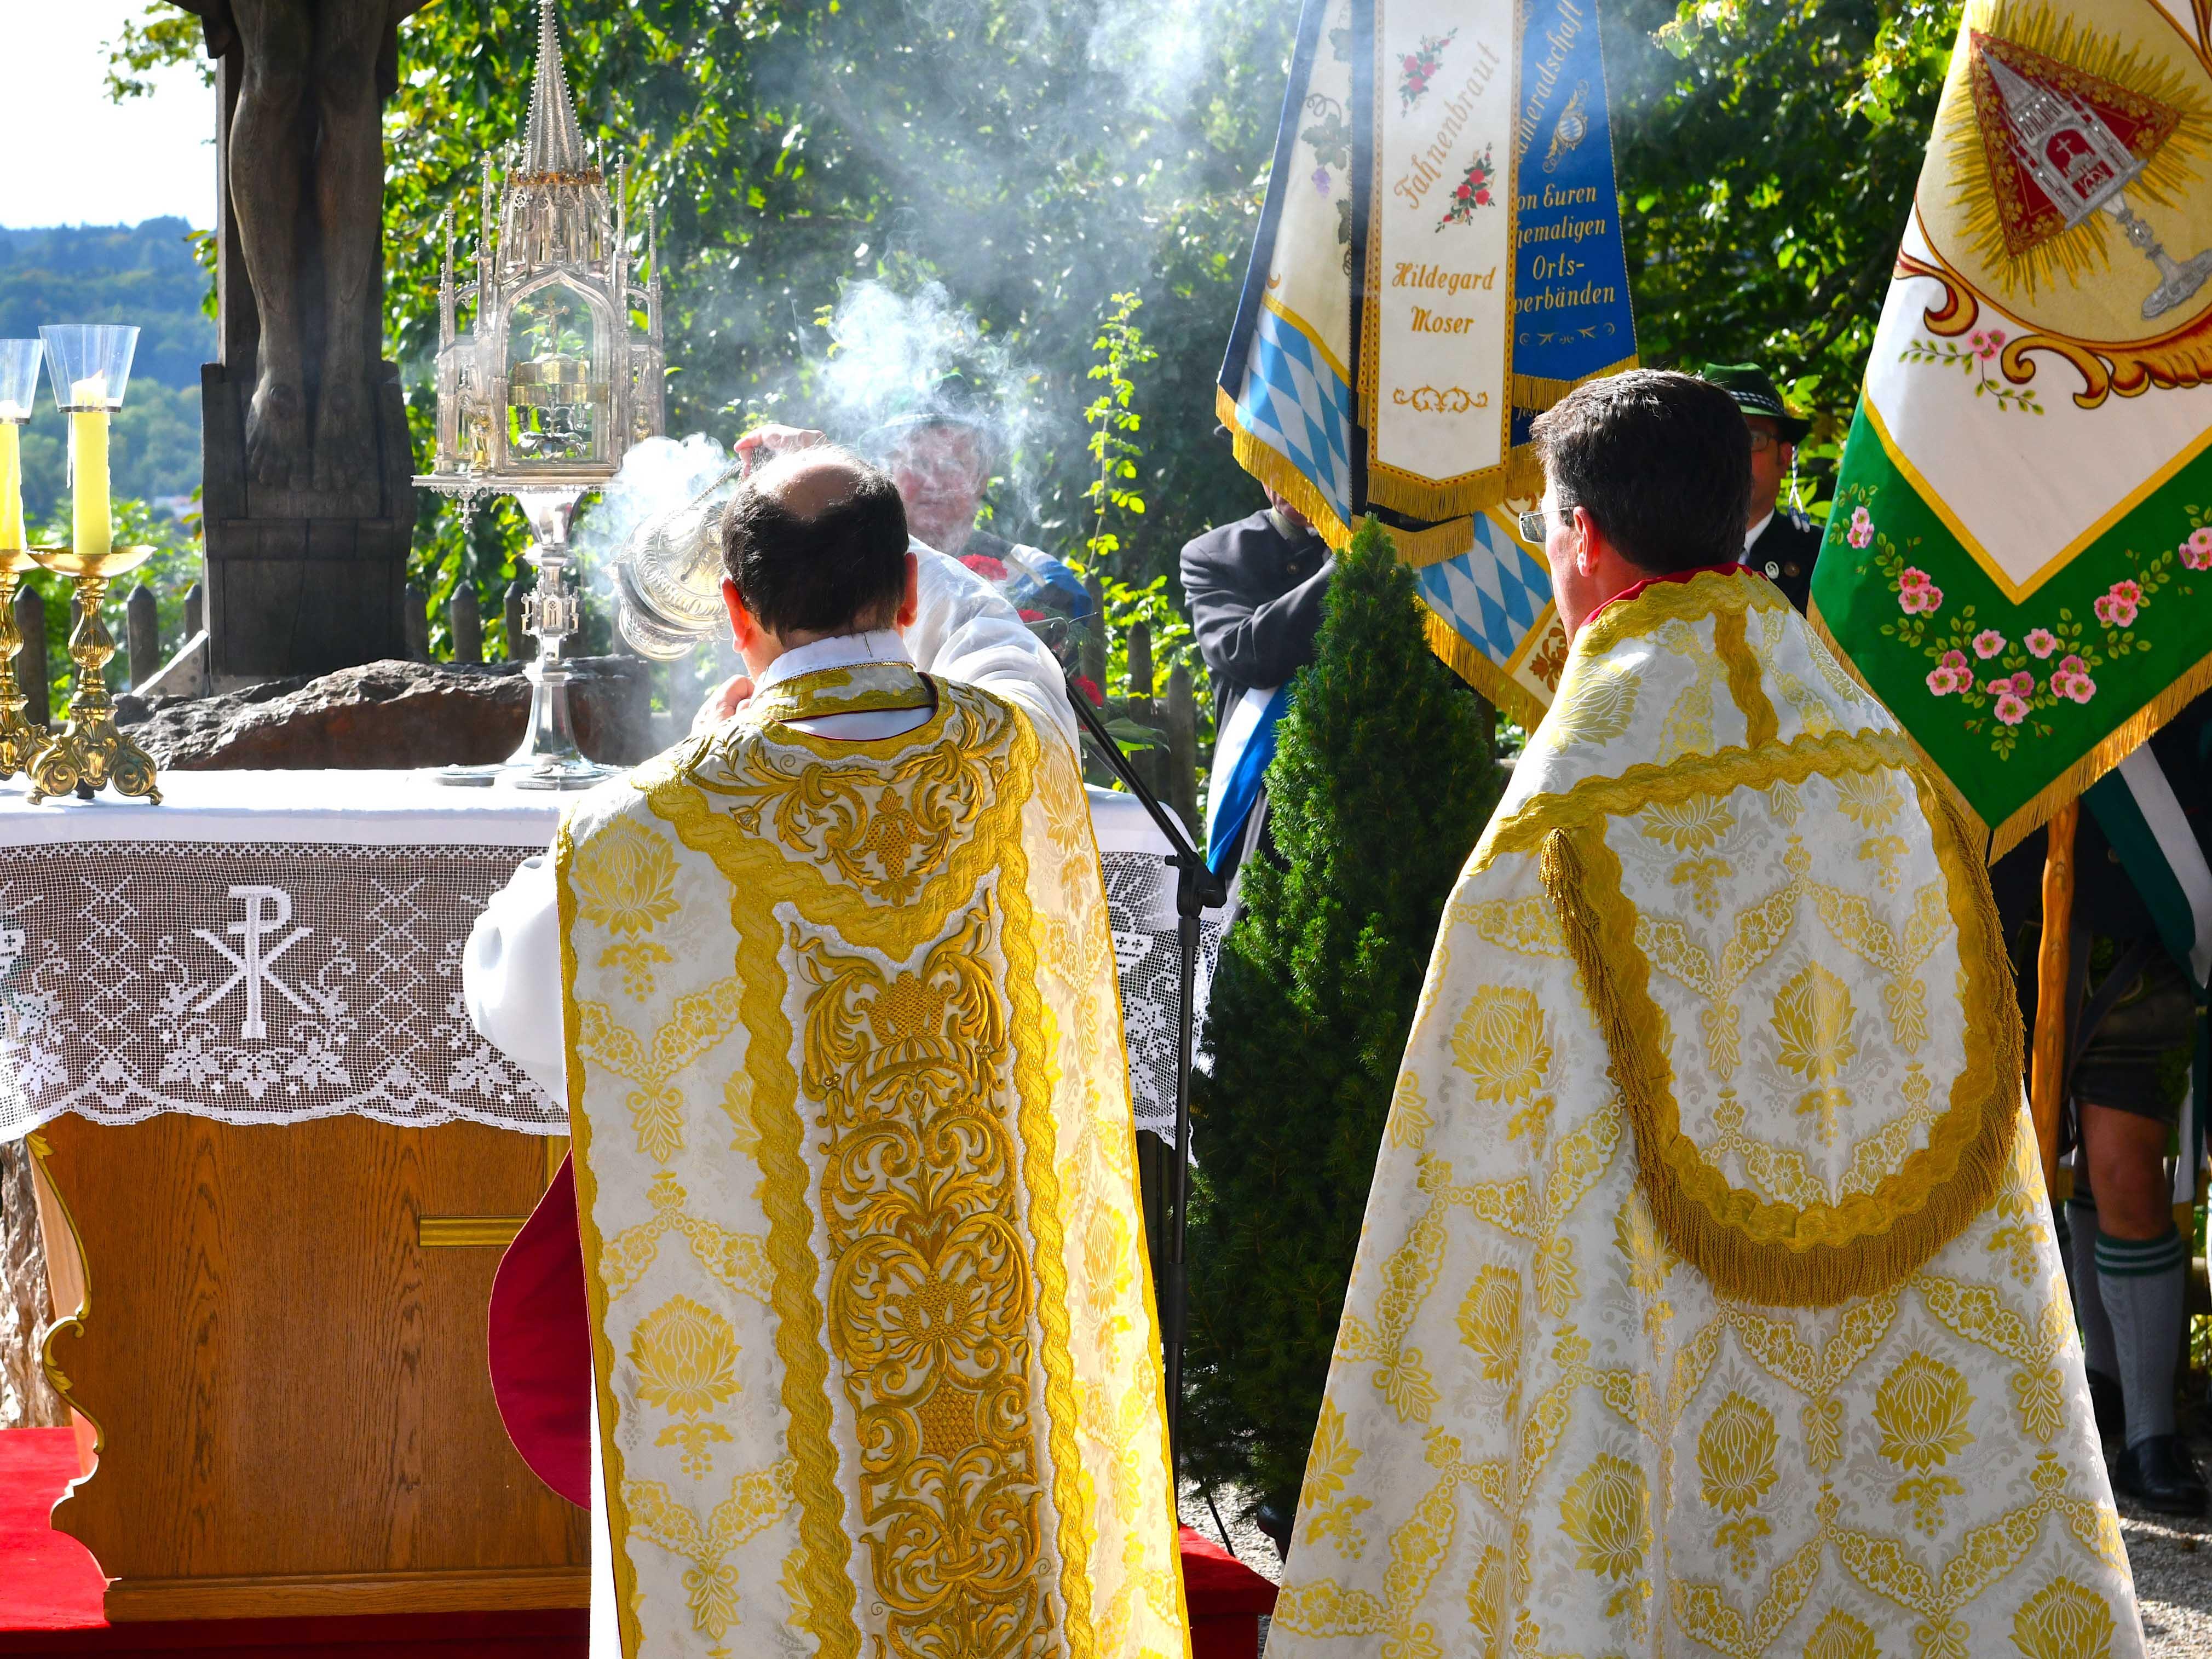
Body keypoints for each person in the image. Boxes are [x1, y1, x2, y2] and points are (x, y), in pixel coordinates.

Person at [1266, 371, 2143, 1656]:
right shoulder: (1880, 756)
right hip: (1892, 1317)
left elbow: (1480, 1149)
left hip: (1660, 1332)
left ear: (1580, 537)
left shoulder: (1570, 801)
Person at [464, 446, 1186, 1656]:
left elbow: (515, 991)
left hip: (776, 1356)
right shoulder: (1012, 750)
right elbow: (1000, 643)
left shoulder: (647, 825)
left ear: (734, 611)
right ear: (904, 590)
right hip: (976, 1344)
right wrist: (884, 531)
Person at [1992, 697, 2212, 1516]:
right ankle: (2099, 1383)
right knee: (2049, 1164)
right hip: (2013, 906)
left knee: (2125, 1170)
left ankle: (2151, 1433)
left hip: (2143, 900)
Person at [1179, 481, 1334, 878]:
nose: (1293, 479)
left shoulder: (1407, 549)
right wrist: (1348, 568)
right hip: (1267, 810)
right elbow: (1247, 654)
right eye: (1278, 464)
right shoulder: (1216, 554)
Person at [1701, 361, 1824, 612]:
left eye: (1752, 439)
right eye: (1714, 439)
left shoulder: (1822, 558)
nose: (1732, 456)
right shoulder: (1657, 555)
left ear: (1785, 456)